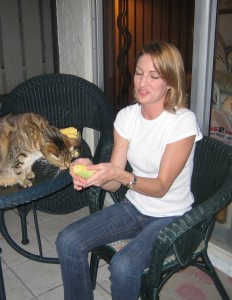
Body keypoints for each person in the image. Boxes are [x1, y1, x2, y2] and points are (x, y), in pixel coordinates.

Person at [56, 41, 202, 300]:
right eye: (139, 72)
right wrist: (91, 172)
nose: (142, 83)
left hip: (171, 217)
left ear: (171, 82)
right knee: (68, 240)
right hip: (134, 208)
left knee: (124, 266)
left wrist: (121, 176)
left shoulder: (182, 122)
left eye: (154, 76)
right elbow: (113, 180)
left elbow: (160, 187)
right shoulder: (126, 117)